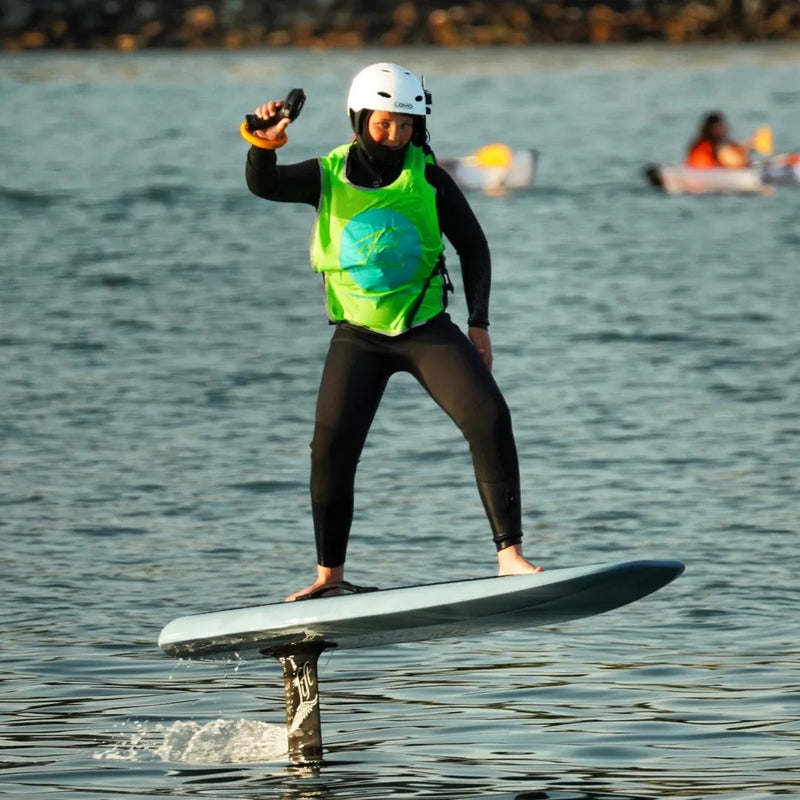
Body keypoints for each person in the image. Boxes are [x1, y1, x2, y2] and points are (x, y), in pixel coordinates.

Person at [244, 62, 542, 601]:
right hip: (357, 335)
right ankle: (329, 578)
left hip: (425, 328)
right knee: (330, 448)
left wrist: (479, 324)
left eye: (406, 126)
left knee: (490, 417)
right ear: (359, 119)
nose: (395, 136)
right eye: (384, 124)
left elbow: (473, 246)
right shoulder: (326, 175)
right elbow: (262, 185)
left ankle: (510, 557)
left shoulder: (429, 177)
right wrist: (263, 144)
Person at [684, 111, 750, 169]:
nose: (725, 129)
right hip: (706, 175)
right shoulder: (705, 146)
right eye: (721, 126)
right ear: (712, 128)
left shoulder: (724, 143)